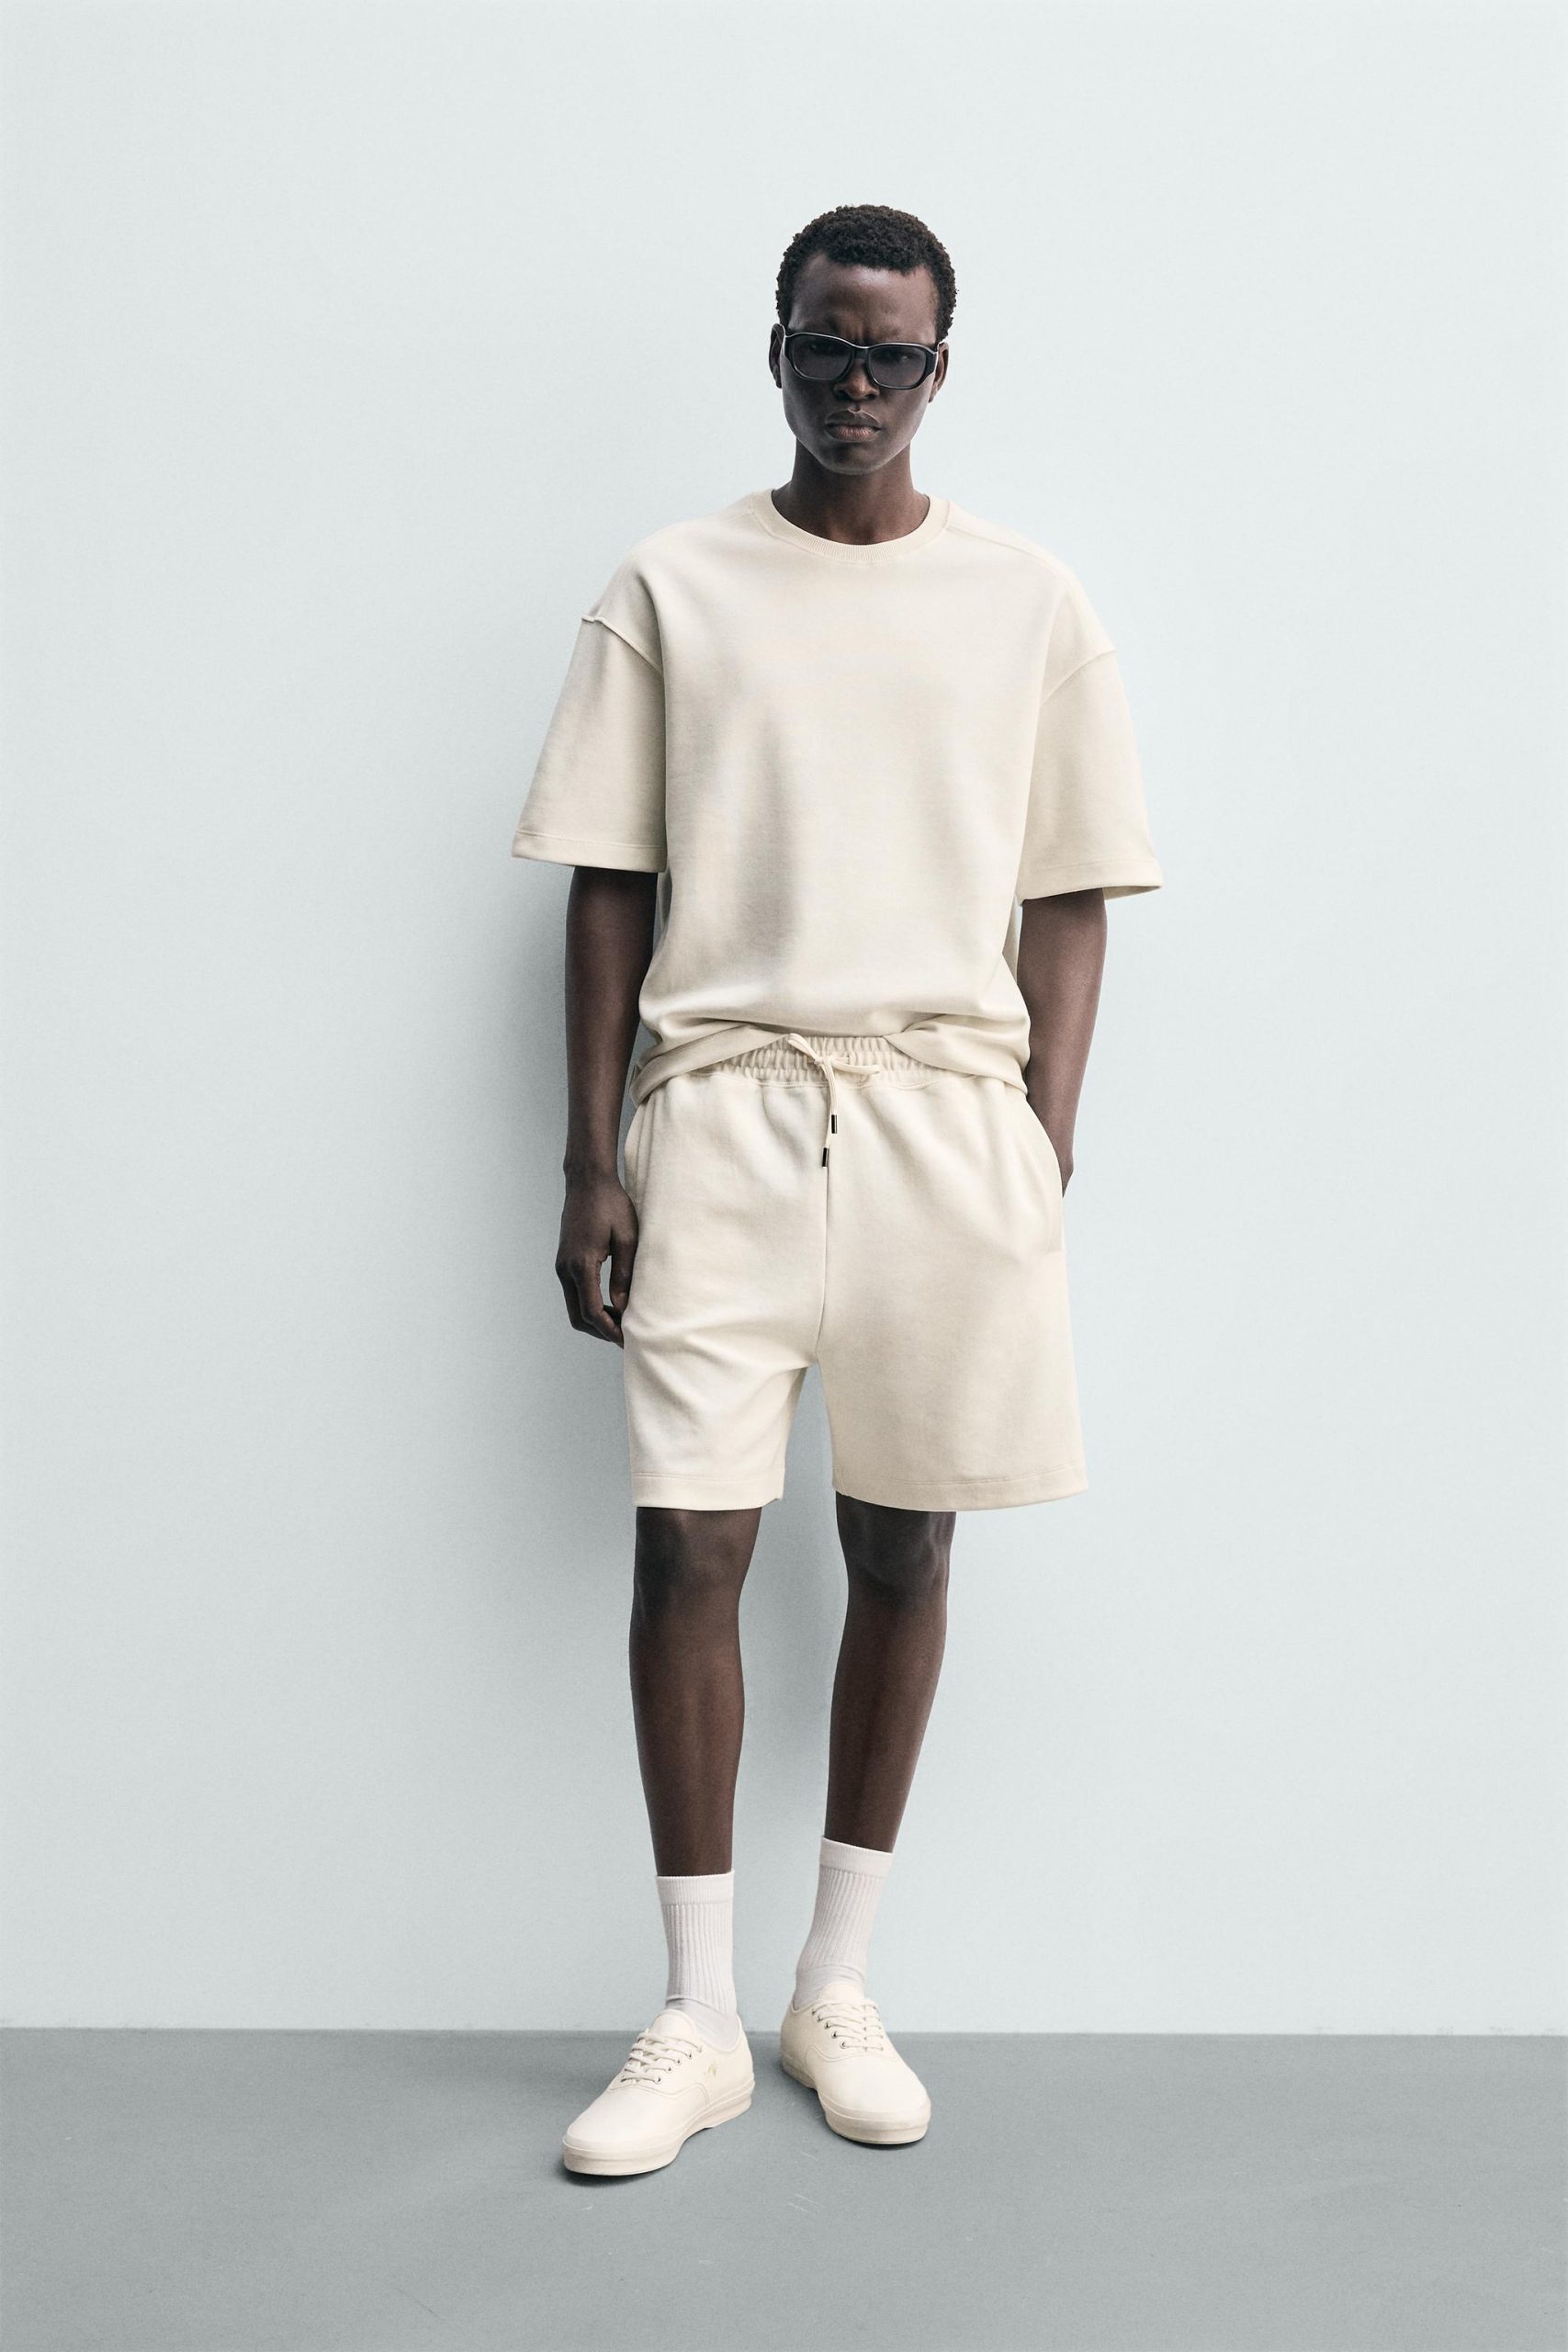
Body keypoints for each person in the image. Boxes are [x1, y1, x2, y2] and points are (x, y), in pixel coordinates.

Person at [511, 202, 1162, 2177]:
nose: (854, 384)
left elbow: (1071, 884)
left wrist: (1041, 1126)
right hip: (716, 1109)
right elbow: (609, 878)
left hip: (942, 1123)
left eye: (890, 354)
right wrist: (590, 1155)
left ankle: (835, 1985)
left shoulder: (1026, 603)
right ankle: (694, 2015)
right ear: (775, 349)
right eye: (823, 346)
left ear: (941, 369)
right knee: (686, 1548)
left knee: (903, 1546)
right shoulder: (673, 586)